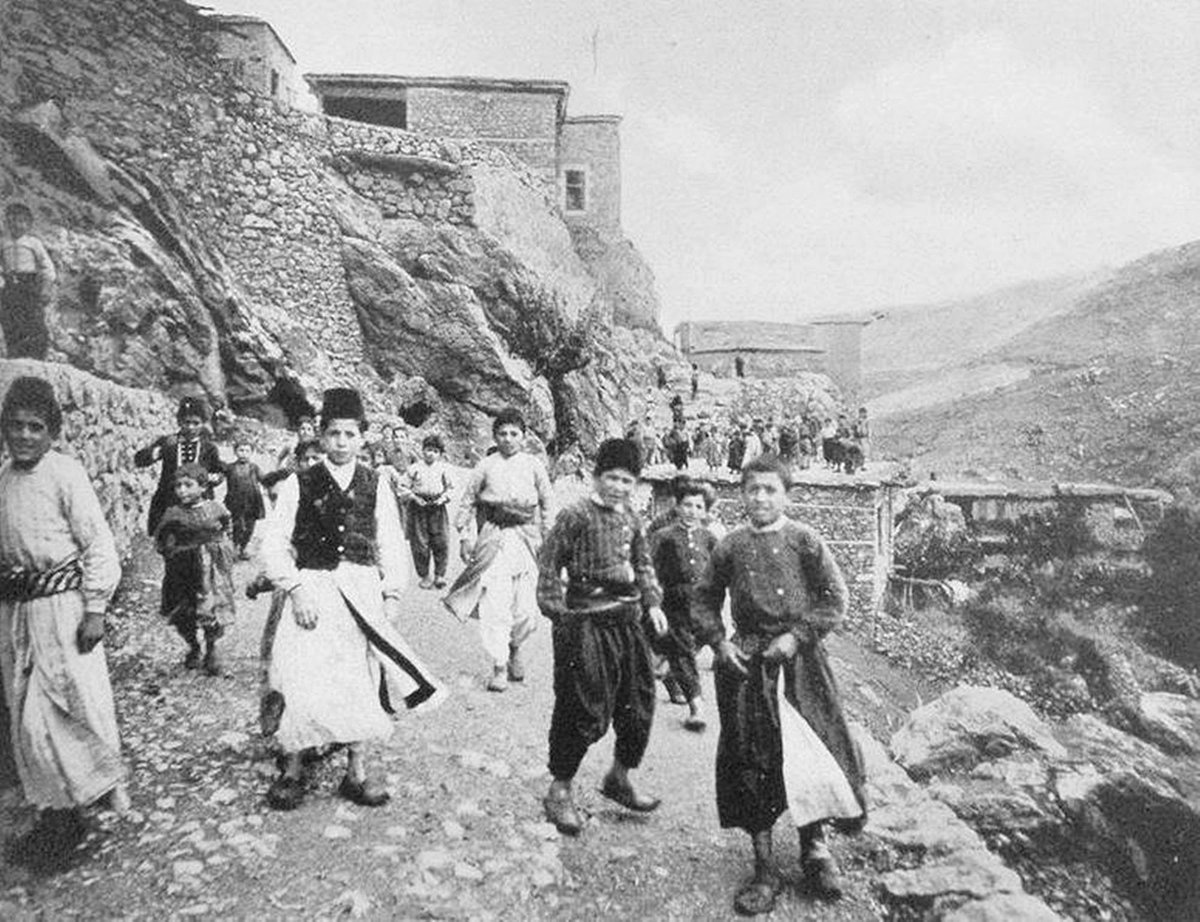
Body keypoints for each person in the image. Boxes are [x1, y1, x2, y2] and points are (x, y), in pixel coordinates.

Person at [693, 457, 866, 915]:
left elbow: (835, 599)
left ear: (786, 494)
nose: (761, 498)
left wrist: (797, 636)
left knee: (811, 753)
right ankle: (764, 866)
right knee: (754, 758)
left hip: (800, 665)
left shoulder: (805, 540)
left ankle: (816, 849)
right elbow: (704, 599)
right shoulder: (730, 546)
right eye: (753, 490)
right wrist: (719, 644)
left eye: (770, 490)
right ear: (741, 495)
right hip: (749, 667)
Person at [260, 388, 442, 810]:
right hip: (313, 589)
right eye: (333, 434)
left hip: (359, 592)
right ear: (321, 437)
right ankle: (293, 767)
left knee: (360, 677)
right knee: (301, 674)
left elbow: (392, 543)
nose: (342, 442)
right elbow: (275, 543)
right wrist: (296, 588)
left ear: (363, 438)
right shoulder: (297, 483)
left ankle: (355, 770)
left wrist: (392, 594)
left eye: (350, 434)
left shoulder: (375, 484)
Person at [0, 376, 126, 869]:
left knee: (57, 714)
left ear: (53, 431)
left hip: (66, 613)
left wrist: (95, 608)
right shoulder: (3, 479)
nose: (25, 436)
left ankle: (69, 818)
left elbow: (97, 545)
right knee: (24, 716)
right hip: (19, 617)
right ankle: (56, 810)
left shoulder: (66, 474)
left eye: (36, 427)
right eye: (15, 426)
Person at [537, 438, 669, 836]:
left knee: (639, 703)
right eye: (611, 477)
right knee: (582, 707)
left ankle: (619, 777)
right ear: (596, 477)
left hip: (628, 621)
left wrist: (654, 602)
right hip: (586, 622)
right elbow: (548, 563)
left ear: (636, 484)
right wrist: (558, 613)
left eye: (627, 480)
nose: (618, 486)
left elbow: (643, 564)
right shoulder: (575, 515)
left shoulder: (632, 518)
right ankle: (559, 789)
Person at [444, 409, 553, 692]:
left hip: (526, 537)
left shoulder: (533, 465)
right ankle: (500, 665)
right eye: (502, 434)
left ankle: (515, 645)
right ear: (495, 436)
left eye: (514, 433)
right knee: (496, 604)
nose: (507, 439)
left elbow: (547, 502)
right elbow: (466, 503)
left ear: (524, 436)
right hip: (494, 536)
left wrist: (550, 537)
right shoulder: (485, 465)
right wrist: (466, 536)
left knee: (528, 610)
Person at [154, 464, 236, 676]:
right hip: (182, 570)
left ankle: (211, 649)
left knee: (212, 609)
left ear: (202, 487)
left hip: (210, 570)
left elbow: (227, 523)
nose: (182, 490)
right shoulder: (173, 513)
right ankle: (193, 646)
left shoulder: (215, 508)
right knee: (183, 611)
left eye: (188, 485)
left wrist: (223, 546)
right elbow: (161, 537)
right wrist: (170, 553)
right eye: (178, 486)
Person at [650, 479, 717, 731]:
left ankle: (668, 670)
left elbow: (720, 570)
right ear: (676, 506)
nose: (692, 511)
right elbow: (649, 569)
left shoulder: (709, 538)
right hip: (673, 603)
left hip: (701, 603)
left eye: (698, 507)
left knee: (696, 643)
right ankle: (697, 706)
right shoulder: (663, 536)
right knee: (683, 651)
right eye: (687, 505)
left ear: (705, 511)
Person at [134, 396, 225, 536]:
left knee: (195, 544)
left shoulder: (209, 448)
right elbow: (139, 460)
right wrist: (158, 451)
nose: (191, 427)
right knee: (169, 545)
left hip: (199, 503)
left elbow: (218, 471)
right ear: (179, 422)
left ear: (203, 424)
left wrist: (213, 479)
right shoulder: (169, 442)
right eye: (186, 422)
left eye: (196, 423)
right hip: (169, 500)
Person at [0, 204, 56, 359]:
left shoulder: (33, 243)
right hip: (10, 284)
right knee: (10, 318)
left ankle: (37, 355)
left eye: (21, 221)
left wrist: (46, 288)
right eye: (11, 221)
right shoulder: (3, 243)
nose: (16, 225)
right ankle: (15, 354)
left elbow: (47, 266)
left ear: (28, 224)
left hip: (29, 284)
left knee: (33, 318)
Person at [406, 434, 454, 589]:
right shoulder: (414, 469)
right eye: (427, 450)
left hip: (437, 507)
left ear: (439, 454)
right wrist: (413, 497)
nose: (430, 454)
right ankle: (425, 575)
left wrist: (444, 498)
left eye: (434, 451)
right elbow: (403, 487)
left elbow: (451, 488)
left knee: (441, 541)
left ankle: (439, 575)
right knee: (420, 543)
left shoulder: (443, 469)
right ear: (422, 450)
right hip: (419, 507)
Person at [225, 439, 265, 559]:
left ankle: (243, 548)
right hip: (235, 501)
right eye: (241, 450)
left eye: (247, 451)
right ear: (235, 452)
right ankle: (234, 548)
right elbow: (219, 477)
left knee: (249, 527)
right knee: (237, 525)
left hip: (252, 501)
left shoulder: (254, 468)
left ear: (252, 452)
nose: (244, 453)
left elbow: (264, 479)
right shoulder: (230, 468)